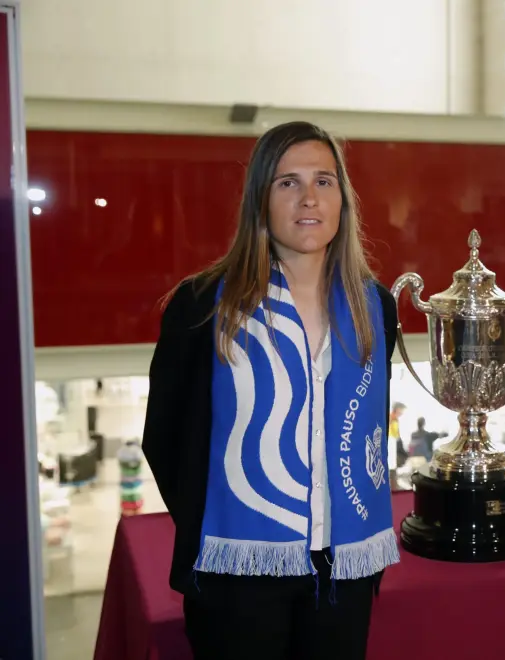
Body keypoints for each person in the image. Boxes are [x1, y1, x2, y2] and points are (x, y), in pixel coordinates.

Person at [142, 121, 400, 660]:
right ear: (260, 198)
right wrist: (216, 523)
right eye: (288, 182)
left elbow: (369, 426)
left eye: (324, 182)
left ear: (343, 200)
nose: (309, 198)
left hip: (344, 570)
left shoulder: (374, 305)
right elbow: (164, 437)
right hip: (235, 571)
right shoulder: (204, 305)